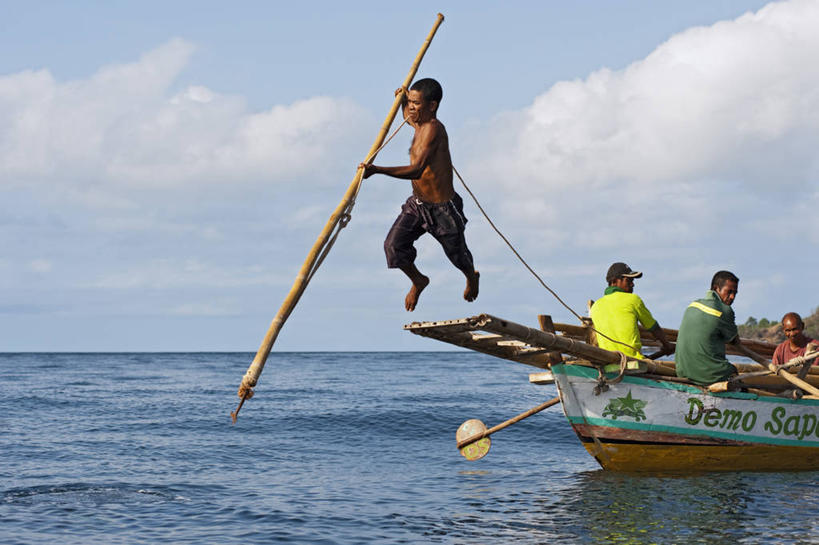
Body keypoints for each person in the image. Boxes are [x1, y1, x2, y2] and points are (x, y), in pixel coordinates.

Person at [360, 78, 479, 311]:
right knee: (393, 246)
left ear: (432, 105)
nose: (412, 107)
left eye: (416, 103)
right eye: (411, 102)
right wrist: (402, 100)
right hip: (417, 205)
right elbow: (408, 117)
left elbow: (416, 170)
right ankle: (418, 280)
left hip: (443, 208)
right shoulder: (418, 124)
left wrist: (377, 170)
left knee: (458, 256)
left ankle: (471, 276)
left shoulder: (434, 130)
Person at [589, 262, 673, 363]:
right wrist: (667, 345)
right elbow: (653, 327)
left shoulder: (596, 306)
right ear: (615, 281)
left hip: (608, 361)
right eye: (628, 280)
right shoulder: (633, 300)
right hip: (632, 360)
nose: (632, 284)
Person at [675, 271, 741, 385]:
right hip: (710, 375)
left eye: (735, 293)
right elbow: (735, 341)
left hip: (682, 371)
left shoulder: (692, 305)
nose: (732, 297)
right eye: (729, 292)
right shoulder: (725, 310)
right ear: (716, 288)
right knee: (734, 372)